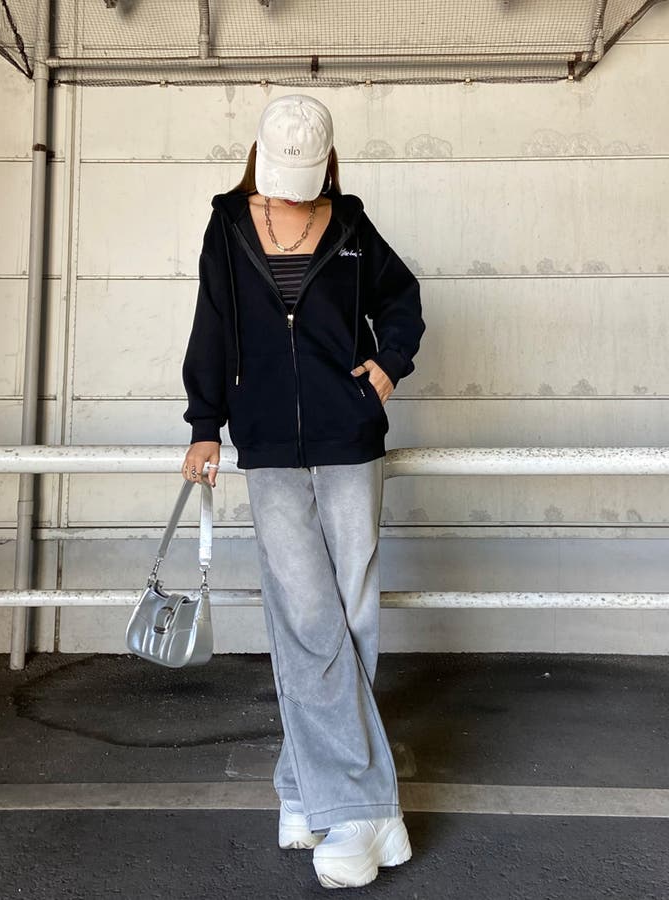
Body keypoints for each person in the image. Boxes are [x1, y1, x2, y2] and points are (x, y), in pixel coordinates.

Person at [180, 94, 425, 889]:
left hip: (349, 439)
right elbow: (213, 327)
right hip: (270, 447)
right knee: (307, 618)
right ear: (259, 156)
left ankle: (306, 789)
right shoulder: (228, 227)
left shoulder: (350, 225)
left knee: (350, 613)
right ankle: (361, 810)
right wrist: (205, 423)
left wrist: (386, 366)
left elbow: (403, 300)